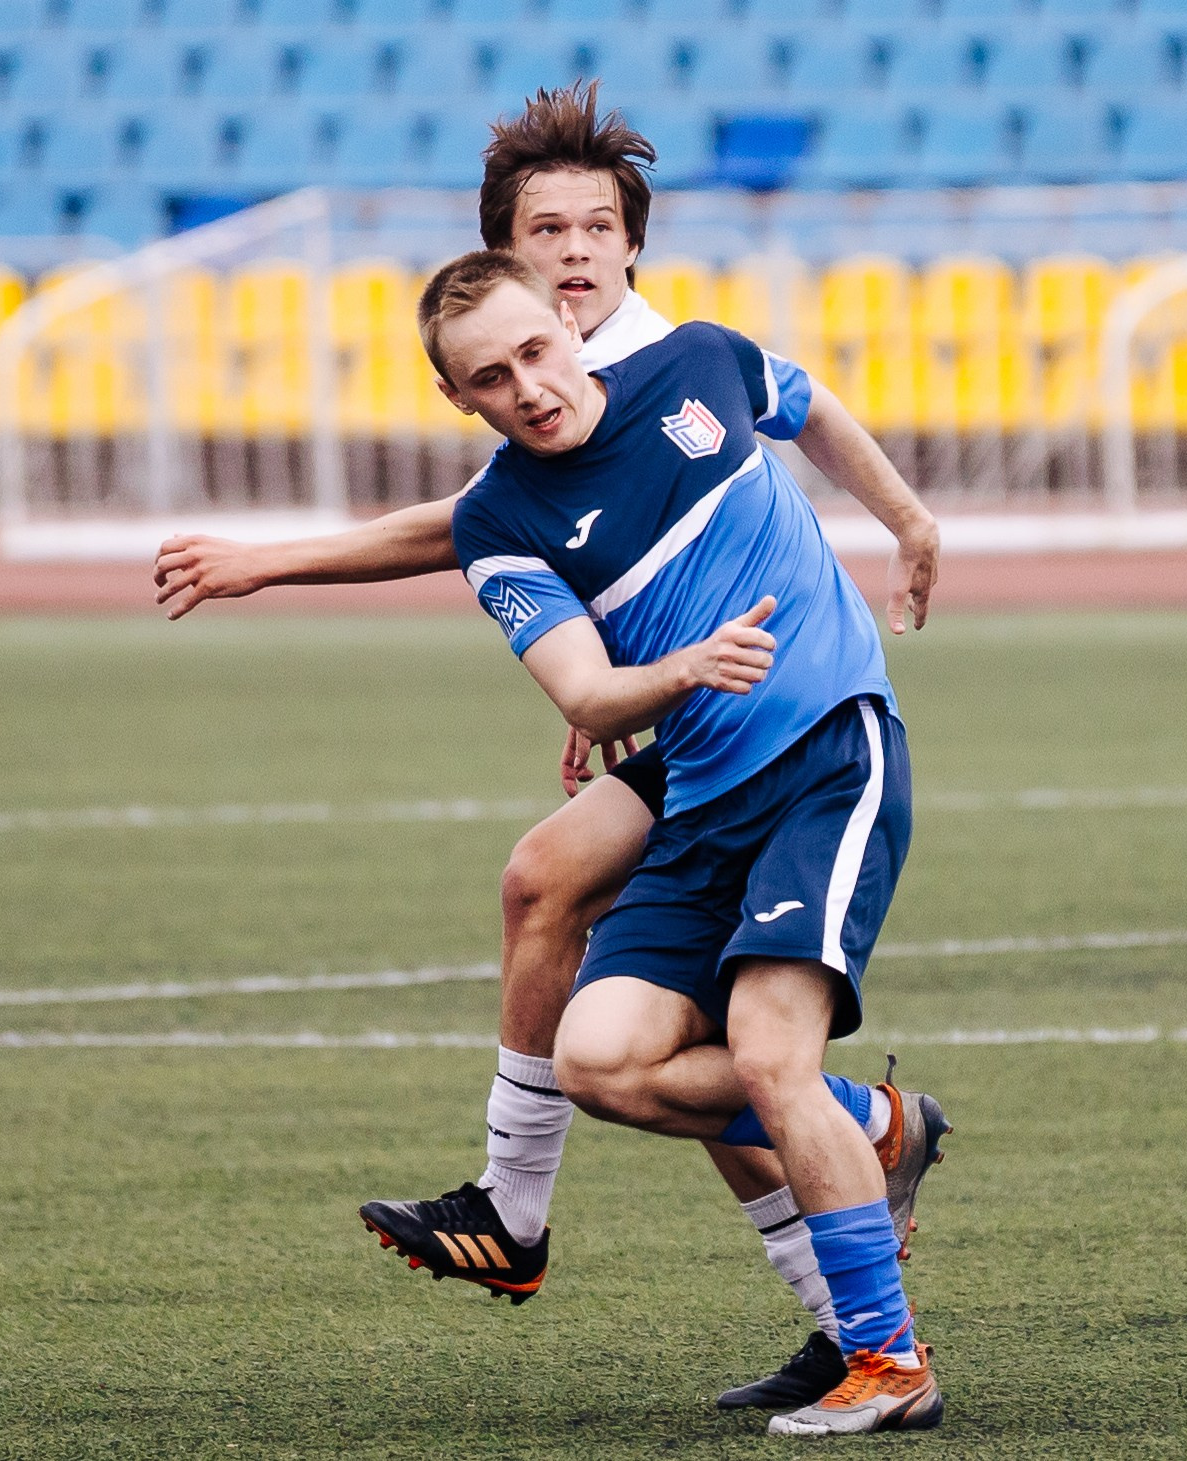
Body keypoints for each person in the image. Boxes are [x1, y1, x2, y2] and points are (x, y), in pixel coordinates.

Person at [154, 82, 943, 1413]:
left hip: (788, 718)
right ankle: (799, 1225)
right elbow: (489, 530)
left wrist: (908, 525)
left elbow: (791, 409)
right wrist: (617, 686)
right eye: (545, 231)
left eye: (593, 227)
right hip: (685, 725)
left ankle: (583, 1225)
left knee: (732, 1030)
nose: (573, 253)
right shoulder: (523, 413)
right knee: (567, 935)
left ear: (628, 244)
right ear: (503, 263)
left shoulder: (664, 352)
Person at [424, 245, 944, 1435]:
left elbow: (810, 407)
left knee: (768, 1052)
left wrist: (907, 520)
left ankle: (887, 1364)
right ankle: (873, 1123)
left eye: (536, 352)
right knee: (600, 1059)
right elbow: (589, 695)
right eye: (492, 379)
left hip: (825, 754)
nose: (530, 388)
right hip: (704, 799)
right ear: (460, 400)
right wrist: (683, 670)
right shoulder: (498, 520)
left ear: (569, 321)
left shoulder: (699, 362)